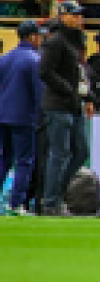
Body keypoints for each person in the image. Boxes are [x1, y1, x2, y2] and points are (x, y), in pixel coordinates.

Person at [39, 0, 92, 218]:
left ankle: (57, 194)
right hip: (58, 105)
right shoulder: (56, 41)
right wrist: (68, 89)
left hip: (73, 105)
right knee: (59, 154)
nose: (79, 18)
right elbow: (44, 71)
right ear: (63, 16)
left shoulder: (75, 42)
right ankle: (51, 202)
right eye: (74, 14)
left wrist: (87, 96)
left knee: (80, 151)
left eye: (80, 15)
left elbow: (80, 73)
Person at [0, 21, 43, 216]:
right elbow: (38, 92)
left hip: (3, 115)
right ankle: (16, 203)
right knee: (24, 161)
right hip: (24, 116)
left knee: (4, 159)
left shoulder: (5, 58)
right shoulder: (34, 59)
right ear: (32, 36)